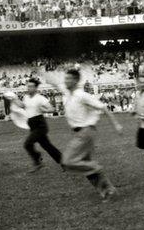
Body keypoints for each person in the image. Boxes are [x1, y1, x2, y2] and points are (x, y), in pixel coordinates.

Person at [42, 69, 123, 201]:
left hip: (86, 132)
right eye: (65, 78)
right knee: (84, 163)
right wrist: (42, 72)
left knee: (67, 161)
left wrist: (116, 125)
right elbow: (56, 84)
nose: (65, 81)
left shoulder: (82, 95)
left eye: (68, 79)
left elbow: (103, 107)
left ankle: (97, 168)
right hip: (80, 132)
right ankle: (108, 190)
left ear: (75, 81)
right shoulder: (67, 92)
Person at [8, 79, 62, 172]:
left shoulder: (40, 98)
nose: (29, 88)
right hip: (32, 125)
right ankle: (64, 163)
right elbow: (23, 106)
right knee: (47, 146)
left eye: (31, 86)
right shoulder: (26, 97)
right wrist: (14, 98)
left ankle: (37, 161)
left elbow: (52, 109)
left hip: (40, 124)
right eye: (28, 86)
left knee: (27, 144)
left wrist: (44, 110)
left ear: (36, 88)